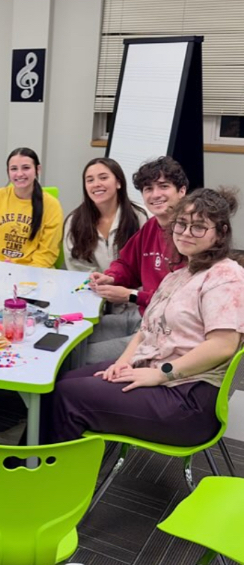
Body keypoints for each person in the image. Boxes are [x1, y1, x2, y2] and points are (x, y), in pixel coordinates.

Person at [49, 188, 244, 446]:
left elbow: (223, 345)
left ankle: (40, 476)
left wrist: (162, 374)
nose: (186, 233)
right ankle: (37, 462)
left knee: (67, 395)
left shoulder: (226, 276)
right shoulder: (179, 275)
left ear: (220, 233)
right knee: (60, 381)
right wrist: (123, 362)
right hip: (157, 373)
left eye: (198, 227)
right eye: (181, 224)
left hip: (187, 399)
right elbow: (146, 330)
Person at [86, 156, 188, 363]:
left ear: (182, 191)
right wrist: (112, 278)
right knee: (72, 337)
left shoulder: (189, 236)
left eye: (163, 186)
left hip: (165, 332)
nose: (155, 194)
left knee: (78, 356)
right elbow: (126, 263)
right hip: (140, 317)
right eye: (148, 189)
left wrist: (131, 296)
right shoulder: (151, 226)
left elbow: (179, 305)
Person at [0, 147, 62, 267]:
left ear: (38, 169)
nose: (19, 174)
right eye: (14, 169)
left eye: (26, 168)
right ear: (8, 171)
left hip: (34, 274)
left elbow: (47, 254)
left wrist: (22, 275)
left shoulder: (51, 205)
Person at [63, 158, 147, 273]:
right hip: (91, 286)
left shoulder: (140, 216)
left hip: (130, 288)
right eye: (90, 180)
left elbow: (148, 263)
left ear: (118, 182)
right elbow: (77, 265)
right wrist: (101, 282)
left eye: (103, 178)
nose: (96, 184)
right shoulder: (74, 220)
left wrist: (118, 284)